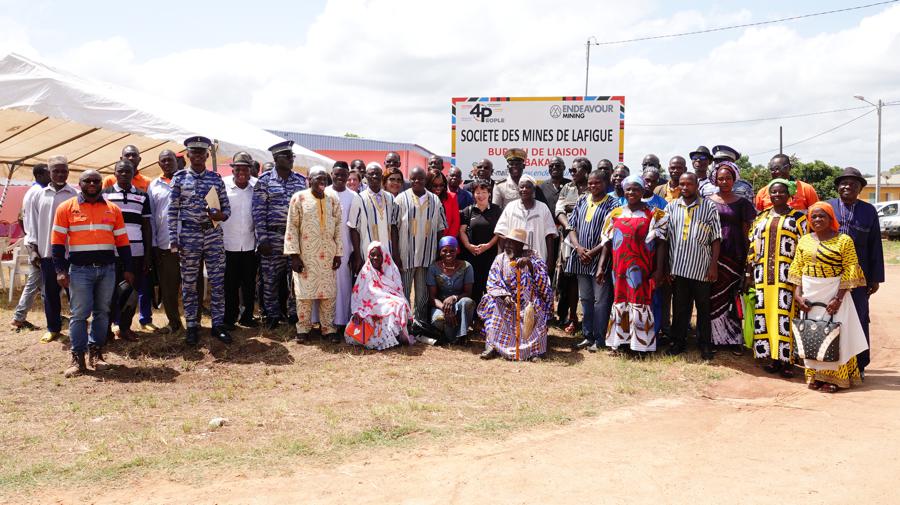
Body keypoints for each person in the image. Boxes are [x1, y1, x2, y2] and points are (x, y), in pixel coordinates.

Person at [52, 170, 132, 377]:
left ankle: (96, 355)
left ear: (101, 184)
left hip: (107, 270)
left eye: (96, 181)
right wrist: (60, 270)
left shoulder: (112, 209)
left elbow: (123, 243)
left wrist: (129, 268)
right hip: (79, 271)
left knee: (102, 312)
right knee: (79, 314)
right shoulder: (66, 208)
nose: (92, 184)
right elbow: (57, 243)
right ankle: (77, 358)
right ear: (79, 183)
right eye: (87, 180)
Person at [789, 202, 868, 392]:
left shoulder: (844, 240)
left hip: (834, 291)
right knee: (811, 333)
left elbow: (850, 268)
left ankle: (835, 379)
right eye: (814, 216)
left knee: (835, 334)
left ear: (831, 218)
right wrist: (798, 295)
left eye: (822, 216)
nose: (817, 220)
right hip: (809, 292)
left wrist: (838, 298)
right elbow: (798, 267)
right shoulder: (805, 240)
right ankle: (815, 376)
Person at [168, 136, 232, 346]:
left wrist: (218, 215)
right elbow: (172, 211)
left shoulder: (216, 179)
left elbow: (227, 211)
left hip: (212, 236)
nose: (197, 156)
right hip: (189, 236)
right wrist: (173, 240)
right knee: (189, 284)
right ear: (188, 155)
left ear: (206, 155)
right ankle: (193, 326)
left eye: (201, 152)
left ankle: (218, 325)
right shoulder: (178, 178)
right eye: (193, 152)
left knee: (217, 282)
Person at [597, 175, 669, 355]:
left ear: (643, 190)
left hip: (642, 269)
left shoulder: (655, 214)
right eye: (628, 189)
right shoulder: (615, 214)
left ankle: (641, 346)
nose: (631, 192)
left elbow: (661, 244)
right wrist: (601, 267)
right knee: (620, 301)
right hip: (619, 269)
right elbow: (607, 243)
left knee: (641, 302)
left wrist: (659, 270)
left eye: (636, 188)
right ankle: (620, 344)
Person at [746, 179, 808, 376]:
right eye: (773, 192)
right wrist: (748, 273)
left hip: (788, 277)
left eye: (781, 192)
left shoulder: (798, 218)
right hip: (762, 276)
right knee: (765, 315)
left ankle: (788, 360)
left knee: (786, 316)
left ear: (789, 194)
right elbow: (752, 245)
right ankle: (772, 358)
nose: (777, 195)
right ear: (768, 195)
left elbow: (805, 247)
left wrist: (802, 276)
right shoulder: (761, 217)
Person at [828, 167, 884, 377]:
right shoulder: (827, 207)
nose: (847, 186)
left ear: (860, 188)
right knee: (830, 316)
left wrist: (875, 278)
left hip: (859, 276)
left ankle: (859, 364)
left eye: (853, 184)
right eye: (843, 183)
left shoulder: (868, 211)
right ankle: (829, 361)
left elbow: (875, 245)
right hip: (829, 275)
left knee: (859, 317)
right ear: (837, 187)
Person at [665, 173, 722, 359]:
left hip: (702, 269)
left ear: (697, 185)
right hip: (678, 268)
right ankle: (678, 342)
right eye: (682, 184)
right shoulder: (671, 206)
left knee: (704, 309)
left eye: (689, 183)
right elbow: (663, 237)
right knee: (680, 308)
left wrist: (713, 266)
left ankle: (704, 344)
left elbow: (716, 238)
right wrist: (666, 266)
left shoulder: (708, 206)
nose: (685, 187)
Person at [285, 167, 343, 343]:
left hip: (328, 255)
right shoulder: (299, 198)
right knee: (304, 294)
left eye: (324, 179)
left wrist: (338, 253)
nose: (322, 182)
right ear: (309, 180)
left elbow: (339, 226)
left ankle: (328, 329)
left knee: (328, 294)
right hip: (306, 255)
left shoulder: (333, 198)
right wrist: (294, 255)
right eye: (317, 179)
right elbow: (292, 226)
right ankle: (303, 329)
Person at [253, 140, 307, 329]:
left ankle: (294, 313)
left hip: (294, 239)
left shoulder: (301, 181)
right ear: (276, 159)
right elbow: (258, 212)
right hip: (272, 238)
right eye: (287, 156)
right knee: (270, 278)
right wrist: (263, 239)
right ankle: (272, 314)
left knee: (295, 277)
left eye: (292, 156)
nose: (291, 159)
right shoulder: (265, 181)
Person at [477, 228, 553, 361]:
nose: (508, 246)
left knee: (538, 309)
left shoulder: (533, 258)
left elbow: (543, 283)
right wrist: (504, 295)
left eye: (512, 243)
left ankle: (534, 352)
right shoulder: (499, 259)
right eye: (506, 243)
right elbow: (493, 281)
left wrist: (530, 265)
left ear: (521, 245)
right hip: (506, 301)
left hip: (528, 302)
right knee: (492, 303)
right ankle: (493, 347)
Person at [25, 156, 78, 343]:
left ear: (68, 172)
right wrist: (32, 249)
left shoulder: (75, 194)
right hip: (47, 252)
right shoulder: (38, 195)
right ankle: (53, 328)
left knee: (76, 292)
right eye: (56, 171)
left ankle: (78, 328)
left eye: (64, 170)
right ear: (49, 172)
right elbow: (31, 224)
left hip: (72, 252)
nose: (60, 174)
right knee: (50, 292)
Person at [565, 170, 619, 352]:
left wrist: (592, 252)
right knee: (586, 299)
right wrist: (578, 248)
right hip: (580, 258)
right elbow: (571, 226)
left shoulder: (613, 203)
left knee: (601, 301)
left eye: (597, 183)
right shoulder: (582, 200)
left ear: (606, 183)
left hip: (600, 261)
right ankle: (587, 336)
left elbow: (610, 234)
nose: (593, 186)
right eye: (591, 183)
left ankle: (600, 338)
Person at [706, 163, 756, 353]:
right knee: (713, 297)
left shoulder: (743, 203)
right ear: (715, 180)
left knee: (732, 298)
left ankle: (734, 339)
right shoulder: (707, 200)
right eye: (720, 178)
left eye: (728, 178)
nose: (724, 181)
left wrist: (747, 258)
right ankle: (713, 338)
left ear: (734, 179)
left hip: (734, 254)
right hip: (712, 256)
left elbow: (746, 231)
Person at [102, 160, 153, 340]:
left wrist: (147, 255)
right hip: (112, 253)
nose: (124, 174)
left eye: (128, 172)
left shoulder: (142, 196)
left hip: (136, 252)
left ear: (133, 173)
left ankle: (124, 327)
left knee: (131, 292)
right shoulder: (104, 195)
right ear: (114, 174)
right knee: (108, 292)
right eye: (120, 172)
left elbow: (146, 227)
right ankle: (106, 329)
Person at [395, 167, 447, 338]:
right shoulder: (401, 199)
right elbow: (393, 227)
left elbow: (440, 227)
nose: (417, 182)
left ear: (426, 180)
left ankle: (420, 326)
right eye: (414, 179)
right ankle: (403, 326)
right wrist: (396, 253)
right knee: (403, 291)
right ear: (409, 179)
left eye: (421, 179)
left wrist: (439, 251)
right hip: (406, 254)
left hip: (427, 254)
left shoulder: (435, 200)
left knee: (422, 294)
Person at [348, 242, 414, 350]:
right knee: (370, 312)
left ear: (384, 256)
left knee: (399, 304)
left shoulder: (392, 270)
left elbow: (397, 291)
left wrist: (387, 299)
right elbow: (358, 294)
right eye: (372, 255)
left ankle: (396, 337)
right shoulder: (365, 272)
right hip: (370, 304)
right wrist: (357, 311)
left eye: (379, 255)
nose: (375, 258)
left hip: (387, 300)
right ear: (368, 256)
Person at [220, 152, 258, 330]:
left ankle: (247, 316)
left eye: (245, 168)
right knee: (230, 284)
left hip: (250, 244)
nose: (241, 172)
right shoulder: (222, 186)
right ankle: (229, 318)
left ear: (250, 170)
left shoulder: (257, 187)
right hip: (228, 244)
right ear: (233, 170)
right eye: (238, 169)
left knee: (249, 284)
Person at [147, 150, 184, 334]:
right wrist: (153, 244)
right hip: (165, 244)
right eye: (164, 161)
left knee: (193, 286)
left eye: (171, 160)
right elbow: (152, 217)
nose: (168, 163)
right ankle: (174, 322)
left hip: (189, 242)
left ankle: (196, 322)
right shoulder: (153, 185)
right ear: (159, 164)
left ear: (177, 162)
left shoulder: (187, 180)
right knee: (168, 287)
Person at [554, 157, 592, 333]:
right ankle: (572, 318)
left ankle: (588, 319)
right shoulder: (567, 188)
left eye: (574, 170)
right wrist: (568, 225)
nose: (571, 173)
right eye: (570, 170)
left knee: (585, 280)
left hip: (588, 240)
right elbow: (559, 210)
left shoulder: (593, 188)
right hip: (568, 240)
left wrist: (572, 210)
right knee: (568, 279)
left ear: (585, 171)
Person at [10, 164, 49, 331]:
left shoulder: (30, 192)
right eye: (49, 172)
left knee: (44, 281)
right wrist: (34, 244)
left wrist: (27, 234)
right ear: (40, 174)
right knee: (35, 281)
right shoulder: (39, 192)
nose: (52, 175)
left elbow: (20, 218)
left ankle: (52, 314)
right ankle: (18, 317)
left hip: (33, 241)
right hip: (37, 244)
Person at [494, 175, 558, 269]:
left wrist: (549, 261)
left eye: (528, 187)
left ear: (533, 189)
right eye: (521, 187)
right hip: (512, 261)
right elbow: (501, 234)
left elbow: (549, 236)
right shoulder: (510, 207)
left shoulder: (543, 208)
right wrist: (499, 259)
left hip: (537, 261)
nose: (524, 189)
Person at [348, 162, 401, 275]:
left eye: (377, 174)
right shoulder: (359, 198)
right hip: (367, 253)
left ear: (382, 177)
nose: (375, 176)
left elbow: (394, 227)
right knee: (370, 289)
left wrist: (396, 255)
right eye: (371, 174)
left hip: (387, 253)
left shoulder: (390, 198)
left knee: (387, 287)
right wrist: (358, 256)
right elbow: (353, 229)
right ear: (366, 177)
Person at [328, 161, 362, 335]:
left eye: (344, 175)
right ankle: (324, 322)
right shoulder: (324, 193)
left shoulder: (354, 196)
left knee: (342, 287)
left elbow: (354, 227)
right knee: (326, 286)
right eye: (337, 174)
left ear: (348, 176)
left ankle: (341, 323)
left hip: (345, 250)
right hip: (324, 250)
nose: (340, 178)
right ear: (331, 174)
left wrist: (356, 254)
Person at [425, 236, 475, 344]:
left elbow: (468, 293)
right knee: (438, 320)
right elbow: (432, 298)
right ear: (440, 252)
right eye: (445, 251)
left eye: (452, 250)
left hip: (459, 304)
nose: (448, 254)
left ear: (457, 251)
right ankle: (452, 338)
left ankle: (462, 336)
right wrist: (445, 309)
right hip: (440, 305)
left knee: (468, 302)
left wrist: (454, 298)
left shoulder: (467, 267)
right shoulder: (433, 268)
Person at [459, 179, 501, 302]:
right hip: (473, 255)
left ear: (489, 193)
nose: (480, 195)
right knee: (474, 287)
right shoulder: (468, 211)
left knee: (490, 286)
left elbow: (500, 232)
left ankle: (490, 316)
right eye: (477, 192)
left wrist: (488, 245)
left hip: (491, 256)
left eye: (483, 192)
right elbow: (462, 231)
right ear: (473, 194)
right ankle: (474, 317)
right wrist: (468, 246)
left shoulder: (497, 210)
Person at [754, 154, 819, 211]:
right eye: (772, 169)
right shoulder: (762, 193)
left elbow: (816, 213)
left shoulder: (806, 189)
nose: (775, 172)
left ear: (789, 168)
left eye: (777, 168)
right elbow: (757, 218)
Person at [427, 168, 459, 240]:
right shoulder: (423, 199)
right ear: (428, 185)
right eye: (435, 185)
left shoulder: (452, 197)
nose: (438, 188)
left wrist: (446, 242)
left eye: (441, 185)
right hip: (427, 242)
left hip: (446, 243)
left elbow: (455, 223)